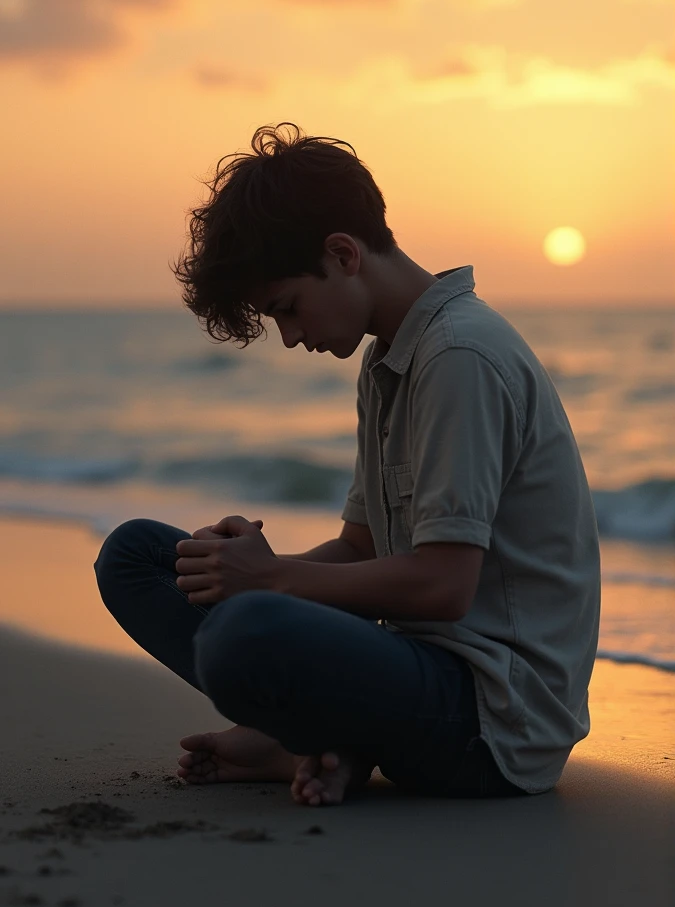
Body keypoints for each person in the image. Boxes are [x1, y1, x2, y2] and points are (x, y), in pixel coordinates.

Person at [94, 122, 601, 808]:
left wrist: (270, 581)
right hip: (413, 667)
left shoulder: (459, 358)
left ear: (342, 254)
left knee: (245, 633)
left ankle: (315, 738)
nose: (291, 335)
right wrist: (245, 571)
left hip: (494, 725)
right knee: (139, 558)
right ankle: (325, 739)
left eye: (287, 308)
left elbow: (445, 587)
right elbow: (360, 549)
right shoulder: (388, 359)